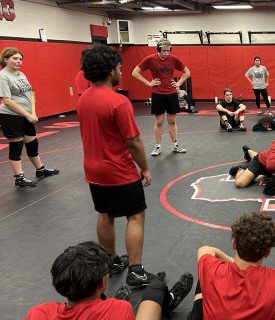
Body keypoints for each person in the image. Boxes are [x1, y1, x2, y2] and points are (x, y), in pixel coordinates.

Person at [19, 241, 193, 320]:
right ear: (103, 282)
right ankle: (165, 297)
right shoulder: (118, 312)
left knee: (115, 319)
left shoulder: (35, 316)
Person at [79, 45, 163, 286]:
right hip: (118, 169)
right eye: (119, 68)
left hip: (93, 170)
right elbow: (133, 141)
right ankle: (136, 271)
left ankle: (111, 261)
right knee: (135, 215)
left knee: (105, 214)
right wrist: (145, 168)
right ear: (109, 71)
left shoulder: (84, 98)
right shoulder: (118, 102)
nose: (121, 73)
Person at [0, 47, 59, 188]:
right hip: (11, 116)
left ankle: (41, 170)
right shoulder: (3, 76)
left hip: (26, 115)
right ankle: (19, 178)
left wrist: (33, 113)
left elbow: (30, 93)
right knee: (16, 146)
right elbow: (7, 100)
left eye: (20, 59)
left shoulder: (21, 74)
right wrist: (26, 114)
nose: (19, 61)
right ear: (6, 59)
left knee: (32, 143)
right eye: (15, 58)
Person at [132, 38, 190, 156]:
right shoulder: (150, 59)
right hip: (158, 93)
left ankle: (175, 145)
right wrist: (148, 83)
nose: (166, 53)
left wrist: (178, 84)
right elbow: (135, 72)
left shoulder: (174, 59)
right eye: (163, 51)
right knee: (159, 121)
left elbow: (187, 73)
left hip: (171, 93)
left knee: (172, 120)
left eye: (168, 51)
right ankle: (157, 147)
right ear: (158, 49)